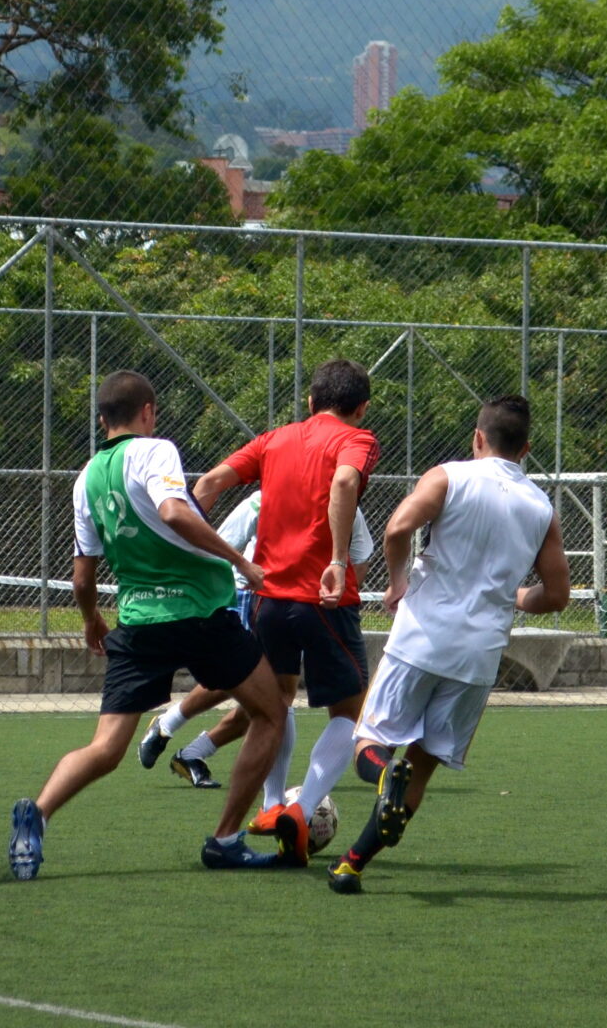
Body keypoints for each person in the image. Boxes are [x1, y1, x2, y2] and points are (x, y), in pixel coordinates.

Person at [9, 371, 288, 880]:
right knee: (270, 713)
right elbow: (175, 513)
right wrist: (240, 562)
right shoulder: (156, 450)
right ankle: (226, 839)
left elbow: (81, 577)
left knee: (106, 749)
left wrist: (93, 618)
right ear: (148, 412)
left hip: (138, 623)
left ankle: (39, 813)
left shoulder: (87, 477)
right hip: (200, 612)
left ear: (101, 420)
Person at [325, 393, 568, 894]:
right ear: (525, 450)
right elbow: (558, 594)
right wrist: (518, 597)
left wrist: (396, 582)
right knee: (425, 761)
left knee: (369, 741)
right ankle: (351, 863)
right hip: (479, 655)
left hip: (421, 637)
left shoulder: (448, 475)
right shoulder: (541, 506)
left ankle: (380, 775)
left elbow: (398, 528)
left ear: (478, 437)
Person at [190, 358, 380, 866]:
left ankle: (273, 807)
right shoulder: (357, 439)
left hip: (269, 600)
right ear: (360, 408)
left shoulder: (273, 439)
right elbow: (343, 485)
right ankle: (303, 808)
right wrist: (337, 561)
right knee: (349, 712)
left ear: (311, 401)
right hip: (324, 599)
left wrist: (188, 558)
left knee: (274, 705)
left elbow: (207, 484)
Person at [139, 494, 378, 797]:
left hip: (302, 606)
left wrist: (337, 598)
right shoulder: (264, 499)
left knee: (267, 695)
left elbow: (360, 558)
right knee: (263, 691)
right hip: (249, 595)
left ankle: (190, 750)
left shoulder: (345, 506)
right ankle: (174, 730)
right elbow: (219, 543)